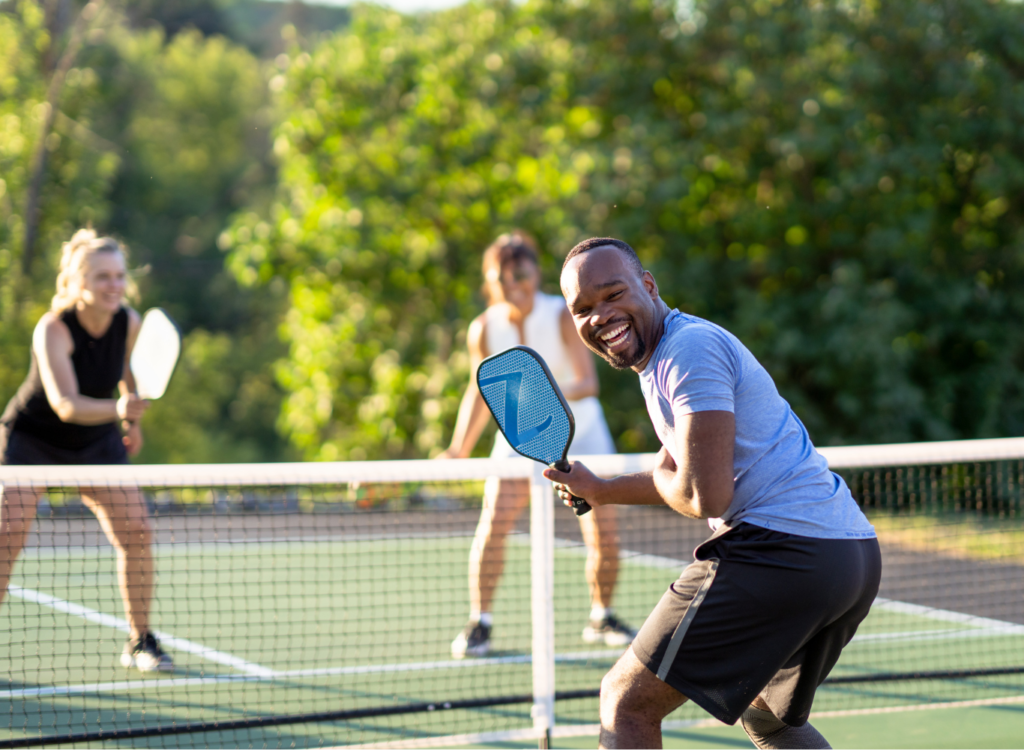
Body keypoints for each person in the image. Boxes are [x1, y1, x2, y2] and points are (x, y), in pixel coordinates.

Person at [545, 237, 881, 749]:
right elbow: (684, 471)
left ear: (650, 286)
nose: (601, 316)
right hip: (847, 555)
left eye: (613, 294)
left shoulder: (687, 350)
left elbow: (706, 496)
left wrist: (663, 477)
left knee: (625, 700)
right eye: (583, 309)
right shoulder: (663, 357)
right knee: (766, 717)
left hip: (783, 550)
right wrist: (602, 489)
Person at [441, 231, 636, 658]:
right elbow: (479, 392)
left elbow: (588, 382)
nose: (514, 283)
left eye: (521, 274)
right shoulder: (483, 328)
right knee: (493, 524)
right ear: (491, 281)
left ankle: (601, 615)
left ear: (534, 273)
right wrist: (458, 448)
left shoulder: (561, 314)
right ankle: (481, 622)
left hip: (582, 433)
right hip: (517, 440)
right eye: (502, 277)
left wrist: (538, 397)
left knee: (602, 530)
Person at [0, 229, 173, 673]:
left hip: (96, 442)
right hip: (32, 440)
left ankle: (140, 641)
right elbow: (65, 404)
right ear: (78, 283)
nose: (114, 285)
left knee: (136, 531)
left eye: (119, 276)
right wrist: (120, 410)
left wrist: (131, 421)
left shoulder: (128, 321)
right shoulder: (53, 328)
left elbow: (130, 377)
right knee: (6, 535)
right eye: (102, 277)